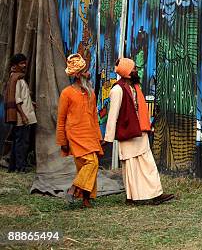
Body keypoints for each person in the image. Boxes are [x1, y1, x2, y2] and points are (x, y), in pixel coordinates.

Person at [104, 58, 174, 205]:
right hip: (128, 133)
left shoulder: (135, 87)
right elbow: (112, 115)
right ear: (127, 73)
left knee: (148, 163)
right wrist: (108, 138)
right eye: (134, 68)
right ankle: (131, 198)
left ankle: (156, 194)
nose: (136, 70)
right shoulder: (117, 90)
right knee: (130, 167)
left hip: (140, 131)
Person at [56, 53, 103, 209]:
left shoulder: (91, 93)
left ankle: (85, 199)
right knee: (91, 163)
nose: (88, 74)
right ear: (77, 75)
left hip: (90, 134)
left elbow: (95, 117)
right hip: (75, 135)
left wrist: (98, 136)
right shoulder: (66, 93)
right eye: (84, 72)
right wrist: (62, 141)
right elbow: (61, 119)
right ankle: (74, 188)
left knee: (85, 167)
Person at [3, 54, 37, 173]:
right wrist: (23, 116)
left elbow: (22, 97)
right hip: (22, 117)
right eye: (21, 63)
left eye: (24, 63)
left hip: (25, 115)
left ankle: (13, 166)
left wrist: (31, 102)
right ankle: (20, 167)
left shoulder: (19, 79)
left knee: (18, 142)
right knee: (22, 143)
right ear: (15, 66)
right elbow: (17, 100)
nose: (24, 66)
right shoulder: (16, 80)